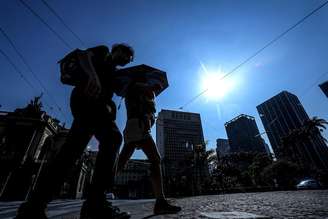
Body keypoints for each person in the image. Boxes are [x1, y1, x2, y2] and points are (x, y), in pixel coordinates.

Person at [15, 44, 134, 219]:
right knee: (111, 138)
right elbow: (82, 55)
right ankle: (95, 205)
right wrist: (93, 76)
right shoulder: (103, 52)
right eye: (126, 54)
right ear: (117, 49)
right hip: (86, 101)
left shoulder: (113, 72)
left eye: (129, 59)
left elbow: (108, 93)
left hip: (96, 105)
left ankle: (34, 205)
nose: (126, 59)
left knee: (71, 152)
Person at [116, 77, 181, 215]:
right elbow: (141, 94)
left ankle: (97, 193)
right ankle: (160, 202)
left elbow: (148, 110)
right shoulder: (136, 85)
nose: (157, 87)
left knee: (123, 161)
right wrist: (151, 88)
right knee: (153, 159)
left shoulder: (142, 92)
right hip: (137, 125)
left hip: (139, 127)